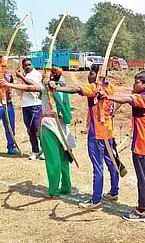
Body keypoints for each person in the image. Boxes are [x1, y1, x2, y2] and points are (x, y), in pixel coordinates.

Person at [52, 67, 121, 210]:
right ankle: (114, 192)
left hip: (97, 134)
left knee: (98, 167)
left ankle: (95, 200)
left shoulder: (94, 88)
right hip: (107, 131)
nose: (88, 76)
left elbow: (77, 89)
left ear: (98, 76)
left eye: (91, 73)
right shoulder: (110, 87)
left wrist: (56, 88)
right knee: (111, 162)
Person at [0, 68, 76, 198]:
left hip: (53, 127)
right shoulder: (50, 88)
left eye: (50, 74)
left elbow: (31, 88)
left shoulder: (61, 88)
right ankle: (64, 188)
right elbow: (29, 88)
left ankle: (54, 191)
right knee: (61, 159)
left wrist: (8, 84)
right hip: (55, 126)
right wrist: (9, 84)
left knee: (56, 160)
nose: (47, 77)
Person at [108, 71, 145, 223]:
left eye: (137, 82)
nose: (134, 84)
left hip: (141, 145)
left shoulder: (140, 98)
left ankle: (141, 210)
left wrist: (106, 96)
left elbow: (125, 99)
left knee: (142, 178)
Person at [15, 58, 44, 160]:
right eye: (26, 65)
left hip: (35, 104)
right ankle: (35, 150)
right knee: (30, 129)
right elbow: (19, 88)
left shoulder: (37, 74)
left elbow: (33, 86)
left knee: (37, 129)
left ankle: (44, 151)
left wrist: (21, 77)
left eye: (29, 64)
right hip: (25, 105)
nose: (28, 67)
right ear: (23, 66)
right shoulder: (23, 75)